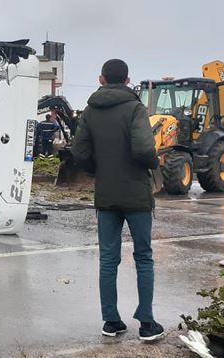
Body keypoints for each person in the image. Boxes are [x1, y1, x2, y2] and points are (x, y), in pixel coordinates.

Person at [72, 59, 165, 342]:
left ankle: (111, 321)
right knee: (143, 257)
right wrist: (152, 165)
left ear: (101, 79)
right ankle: (147, 323)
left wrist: (98, 171)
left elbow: (79, 151)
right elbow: (143, 148)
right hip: (136, 194)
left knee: (108, 260)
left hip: (107, 194)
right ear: (127, 80)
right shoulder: (135, 108)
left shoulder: (90, 111)